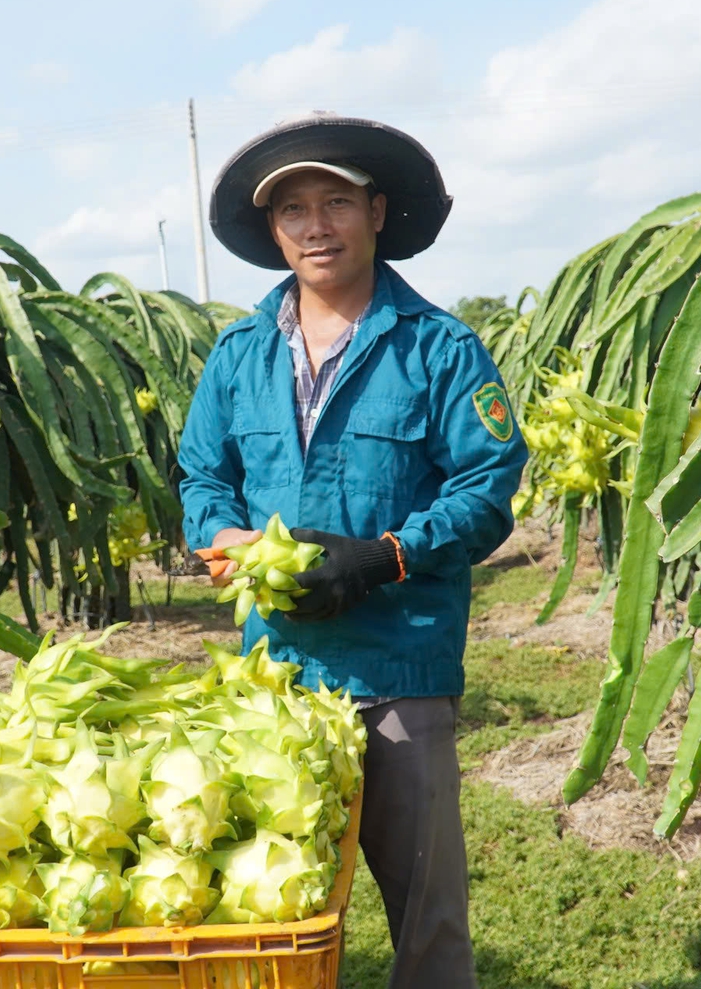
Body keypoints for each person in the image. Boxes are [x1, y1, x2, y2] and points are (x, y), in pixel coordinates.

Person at [177, 114, 527, 988]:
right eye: (293, 209)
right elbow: (200, 476)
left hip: (399, 670)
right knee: (276, 910)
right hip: (275, 681)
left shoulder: (440, 349)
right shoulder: (238, 354)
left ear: (376, 211)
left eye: (336, 201)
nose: (315, 224)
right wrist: (223, 537)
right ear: (274, 232)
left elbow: (486, 488)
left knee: (425, 914)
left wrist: (385, 557)